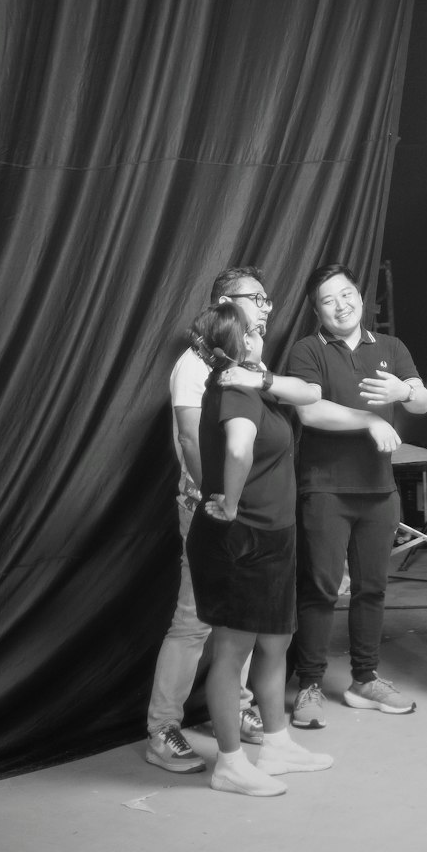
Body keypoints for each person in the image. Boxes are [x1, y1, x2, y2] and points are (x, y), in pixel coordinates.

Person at [145, 265, 299, 773]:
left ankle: (232, 712)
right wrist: (217, 503)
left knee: (244, 622)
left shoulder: (244, 355)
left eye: (265, 298)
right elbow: (192, 439)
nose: (265, 306)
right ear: (223, 302)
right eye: (253, 298)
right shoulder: (195, 365)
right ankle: (163, 728)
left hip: (245, 515)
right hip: (210, 510)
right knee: (194, 623)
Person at [190, 305, 333, 796]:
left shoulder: (253, 381)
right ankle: (229, 763)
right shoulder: (235, 391)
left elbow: (312, 392)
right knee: (233, 651)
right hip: (241, 538)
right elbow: (237, 448)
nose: (263, 330)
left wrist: (263, 378)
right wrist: (229, 503)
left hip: (274, 534)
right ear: (238, 342)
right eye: (253, 329)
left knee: (275, 643)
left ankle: (275, 743)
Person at [287, 262, 427, 728]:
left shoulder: (389, 347)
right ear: (317, 311)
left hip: (378, 491)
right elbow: (310, 412)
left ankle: (364, 679)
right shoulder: (308, 350)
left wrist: (404, 388)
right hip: (325, 489)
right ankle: (309, 683)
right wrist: (370, 419)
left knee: (373, 589)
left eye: (346, 294)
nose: (341, 305)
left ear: (361, 297)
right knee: (321, 589)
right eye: (329, 300)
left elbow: (423, 400)